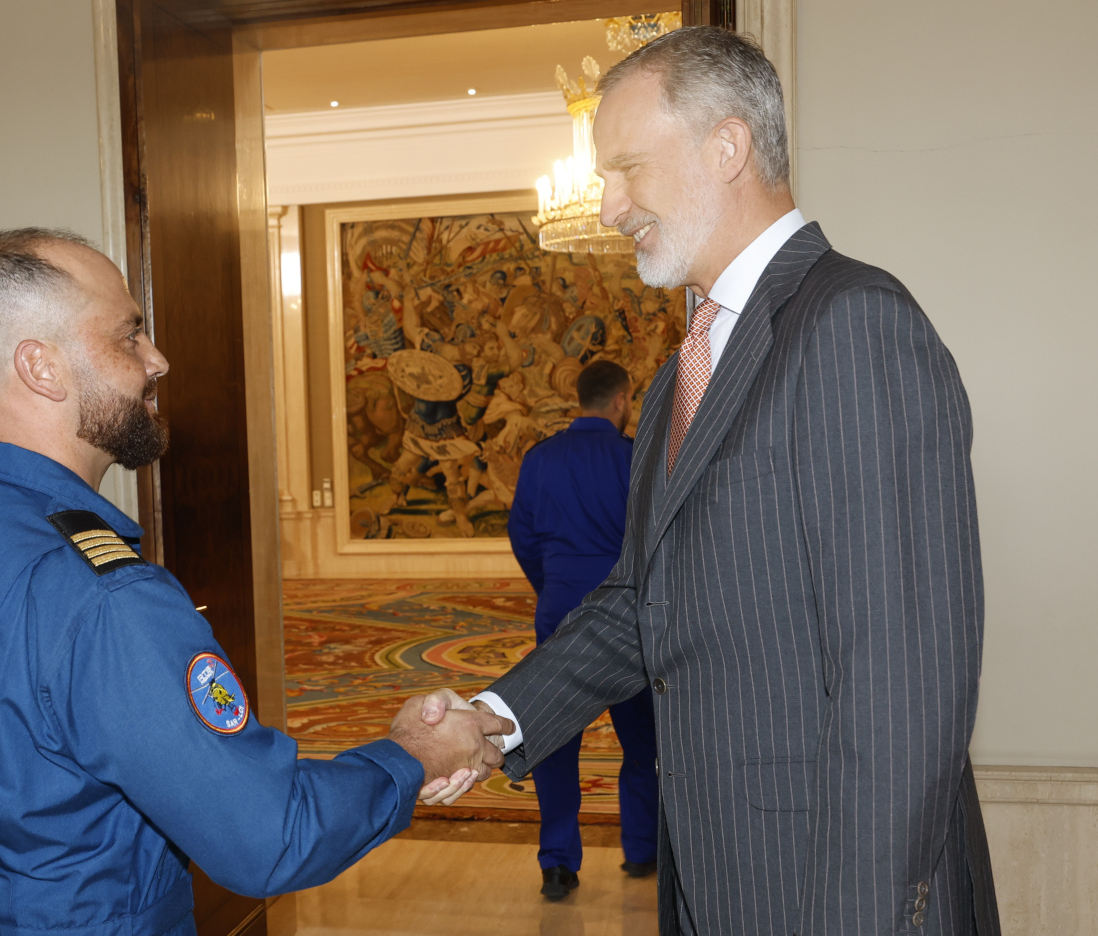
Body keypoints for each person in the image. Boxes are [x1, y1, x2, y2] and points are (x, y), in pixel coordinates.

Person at [427, 26, 1001, 936]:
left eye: (626, 169)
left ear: (726, 147)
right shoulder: (681, 372)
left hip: (831, 896)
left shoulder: (852, 326)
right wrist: (497, 718)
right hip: (721, 878)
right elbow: (641, 604)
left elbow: (903, 689)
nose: (609, 206)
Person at [0, 229, 512, 936]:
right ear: (41, 368)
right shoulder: (105, 597)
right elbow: (269, 836)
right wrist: (414, 756)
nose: (157, 360)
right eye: (128, 337)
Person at [507, 360, 658, 900]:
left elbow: (521, 535)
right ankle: (642, 850)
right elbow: (653, 537)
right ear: (621, 400)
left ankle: (557, 863)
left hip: (560, 610)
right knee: (643, 742)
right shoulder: (635, 456)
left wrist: (554, 587)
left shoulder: (539, 459)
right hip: (625, 617)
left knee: (553, 741)